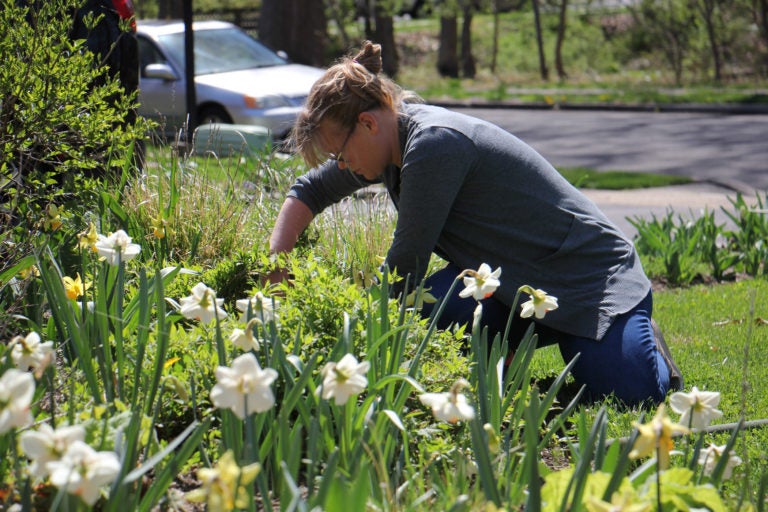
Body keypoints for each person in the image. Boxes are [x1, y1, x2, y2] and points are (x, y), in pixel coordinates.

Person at [268, 40, 683, 406]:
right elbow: (307, 192)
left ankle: (633, 336)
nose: (342, 167)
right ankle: (519, 354)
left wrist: (340, 330)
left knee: (631, 392)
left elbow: (404, 265)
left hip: (587, 278)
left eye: (339, 155)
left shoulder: (434, 144)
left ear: (368, 123)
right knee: (432, 315)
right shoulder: (382, 144)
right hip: (511, 284)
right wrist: (276, 266)